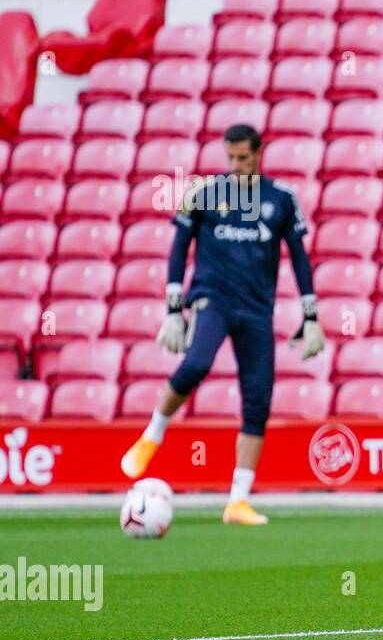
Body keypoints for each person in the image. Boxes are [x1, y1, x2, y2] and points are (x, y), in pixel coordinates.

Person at [119, 125, 325, 525]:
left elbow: (299, 257)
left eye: (243, 158)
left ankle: (238, 501)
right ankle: (152, 434)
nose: (236, 165)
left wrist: (311, 315)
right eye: (230, 158)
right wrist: (174, 308)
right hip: (213, 299)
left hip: (257, 309)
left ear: (258, 154)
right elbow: (179, 248)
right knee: (196, 364)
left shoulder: (280, 198)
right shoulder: (204, 192)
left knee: (257, 399)